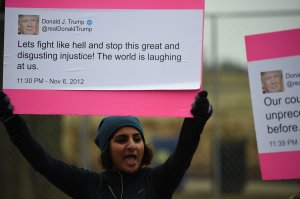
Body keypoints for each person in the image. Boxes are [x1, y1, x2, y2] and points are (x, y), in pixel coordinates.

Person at [0, 90, 213, 199]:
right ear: (107, 149)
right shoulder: (89, 184)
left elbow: (184, 152)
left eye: (137, 139)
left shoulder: (157, 181)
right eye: (121, 139)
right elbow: (43, 162)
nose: (132, 145)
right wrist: (11, 121)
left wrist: (197, 119)